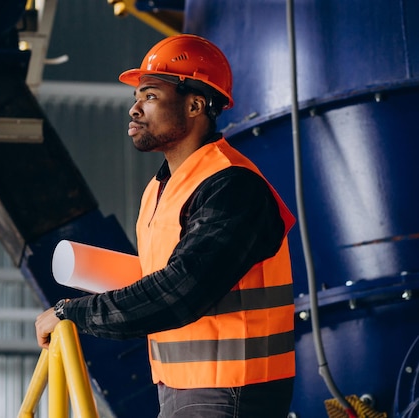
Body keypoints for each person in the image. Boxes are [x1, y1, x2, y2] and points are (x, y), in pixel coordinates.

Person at [35, 34, 296, 417]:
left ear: (195, 105)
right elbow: (164, 278)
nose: (135, 109)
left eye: (151, 96)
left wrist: (73, 312)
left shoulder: (232, 185)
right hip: (181, 387)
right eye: (135, 98)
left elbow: (181, 292)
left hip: (231, 390)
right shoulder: (160, 189)